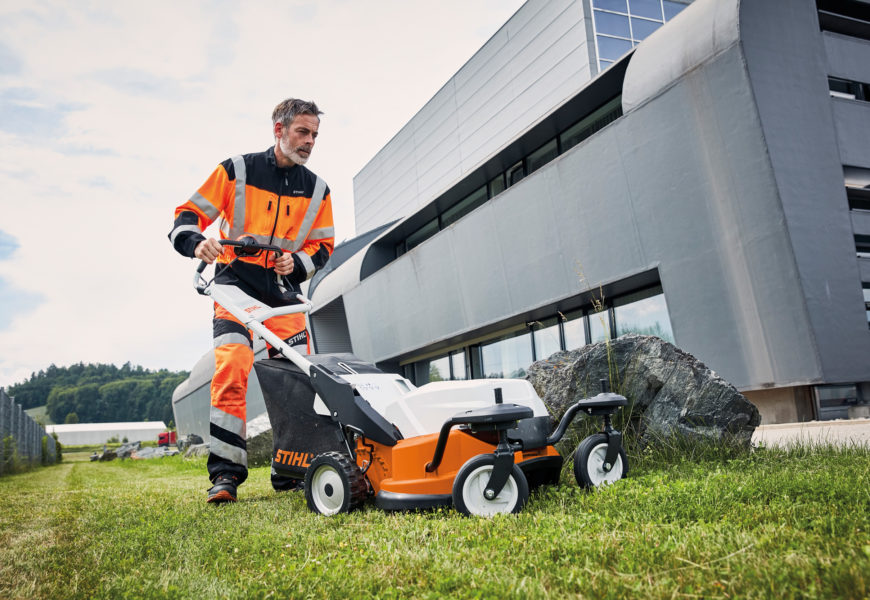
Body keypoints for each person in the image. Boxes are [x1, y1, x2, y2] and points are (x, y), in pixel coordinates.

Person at [168, 98, 335, 503]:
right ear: (279, 130)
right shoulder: (236, 171)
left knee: (295, 379)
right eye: (302, 131)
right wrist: (198, 244)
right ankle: (225, 476)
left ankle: (290, 469)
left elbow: (324, 247)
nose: (310, 141)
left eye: (314, 134)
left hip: (282, 297)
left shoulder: (318, 190)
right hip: (234, 288)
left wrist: (294, 263)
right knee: (232, 367)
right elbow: (185, 217)